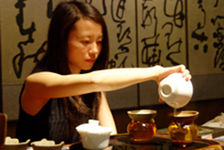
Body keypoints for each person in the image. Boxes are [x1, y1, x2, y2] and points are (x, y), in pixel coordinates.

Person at [16, 0, 191, 144]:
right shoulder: (37, 83)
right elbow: (94, 81)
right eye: (85, 42)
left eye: (99, 42)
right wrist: (157, 72)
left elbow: (110, 137)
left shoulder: (93, 89)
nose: (95, 50)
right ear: (61, 41)